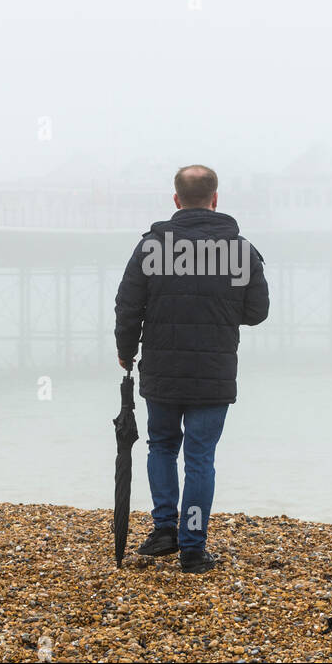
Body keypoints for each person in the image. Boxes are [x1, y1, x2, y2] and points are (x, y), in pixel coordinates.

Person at [114, 165, 269, 574]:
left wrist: (125, 352)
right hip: (215, 370)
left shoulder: (151, 247)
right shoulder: (240, 251)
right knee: (200, 457)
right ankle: (193, 549)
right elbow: (257, 312)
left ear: (176, 200)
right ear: (216, 199)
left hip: (162, 369)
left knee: (162, 446)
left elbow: (128, 306)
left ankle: (165, 528)